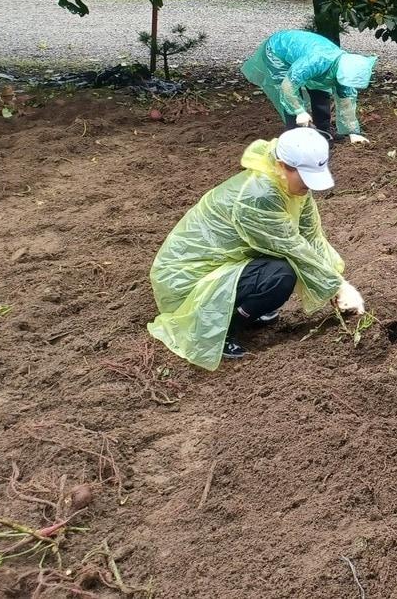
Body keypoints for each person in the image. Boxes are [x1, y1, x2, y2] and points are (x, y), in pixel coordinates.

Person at [147, 129, 366, 370]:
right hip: (188, 279)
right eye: (304, 178)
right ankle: (221, 331)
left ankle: (248, 310)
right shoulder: (259, 195)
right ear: (283, 166)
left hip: (230, 262)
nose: (309, 185)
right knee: (281, 274)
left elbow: (311, 237)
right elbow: (292, 247)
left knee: (286, 268)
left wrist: (338, 283)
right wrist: (337, 286)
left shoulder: (292, 188)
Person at [241, 29, 377, 144]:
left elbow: (347, 100)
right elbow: (287, 87)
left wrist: (352, 132)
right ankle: (295, 137)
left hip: (308, 55)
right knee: (293, 95)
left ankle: (323, 132)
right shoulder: (315, 61)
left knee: (321, 90)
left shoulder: (346, 70)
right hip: (278, 51)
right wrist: (299, 111)